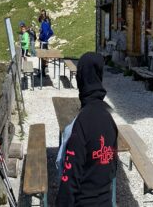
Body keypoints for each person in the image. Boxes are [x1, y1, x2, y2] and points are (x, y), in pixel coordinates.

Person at [52, 53, 122, 206]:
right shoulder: (109, 119)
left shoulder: (82, 123)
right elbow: (112, 168)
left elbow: (69, 178)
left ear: (81, 79)